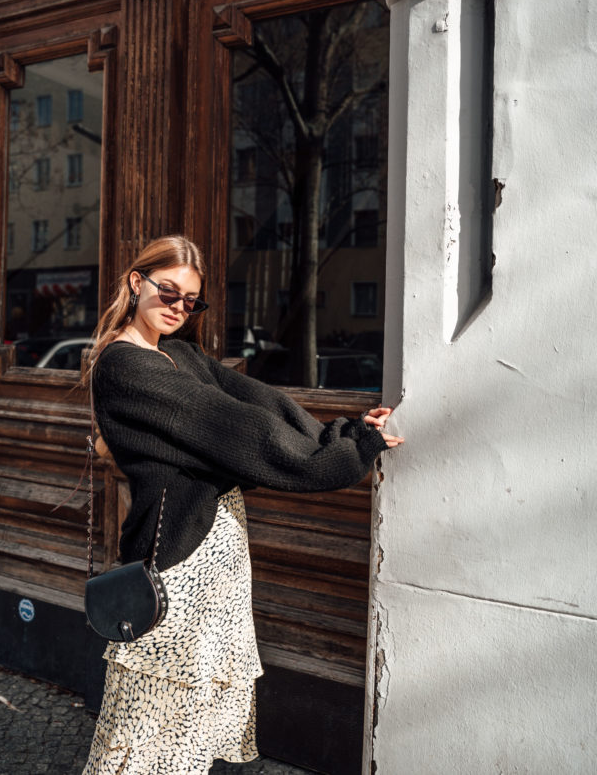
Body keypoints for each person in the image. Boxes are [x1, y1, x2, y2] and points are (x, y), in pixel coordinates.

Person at [82, 234, 402, 775]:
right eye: (168, 291)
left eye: (191, 301)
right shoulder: (125, 367)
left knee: (191, 729)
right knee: (151, 732)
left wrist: (340, 434)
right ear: (136, 283)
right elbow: (240, 430)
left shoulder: (179, 355)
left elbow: (263, 402)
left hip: (219, 556)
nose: (178, 307)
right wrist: (344, 456)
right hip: (178, 567)